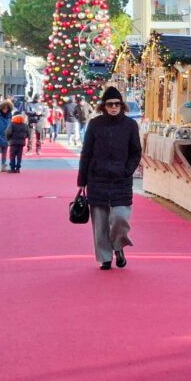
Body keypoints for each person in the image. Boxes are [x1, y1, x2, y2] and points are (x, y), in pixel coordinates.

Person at [78, 86, 142, 270]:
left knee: (120, 217)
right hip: (97, 178)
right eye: (109, 104)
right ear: (103, 106)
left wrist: (127, 170)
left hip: (121, 179)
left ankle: (118, 246)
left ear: (122, 105)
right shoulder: (95, 124)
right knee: (100, 222)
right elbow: (86, 152)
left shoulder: (130, 125)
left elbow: (136, 152)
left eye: (117, 104)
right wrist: (82, 181)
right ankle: (105, 257)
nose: (113, 107)